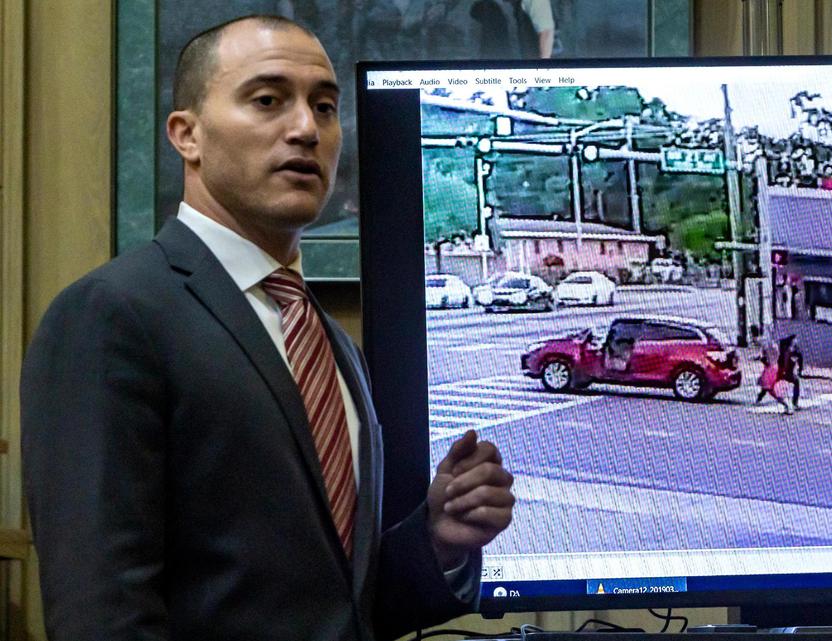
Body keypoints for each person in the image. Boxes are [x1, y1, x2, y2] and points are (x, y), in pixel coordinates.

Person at [20, 15, 514, 641]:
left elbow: (343, 609)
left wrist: (439, 539)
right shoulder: (111, 314)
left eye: (326, 107)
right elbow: (101, 614)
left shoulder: (331, 344)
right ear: (187, 135)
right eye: (267, 100)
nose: (307, 128)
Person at [754, 343, 794, 415]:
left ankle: (787, 405)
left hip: (770, 371)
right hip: (773, 369)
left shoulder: (769, 350)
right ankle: (758, 400)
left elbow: (766, 361)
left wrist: (761, 359)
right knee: (765, 388)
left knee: (771, 390)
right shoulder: (775, 348)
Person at [776, 334, 804, 410]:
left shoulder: (790, 352)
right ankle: (790, 404)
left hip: (784, 373)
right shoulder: (789, 352)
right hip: (784, 373)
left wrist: (800, 370)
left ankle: (792, 404)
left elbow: (799, 360)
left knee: (796, 382)